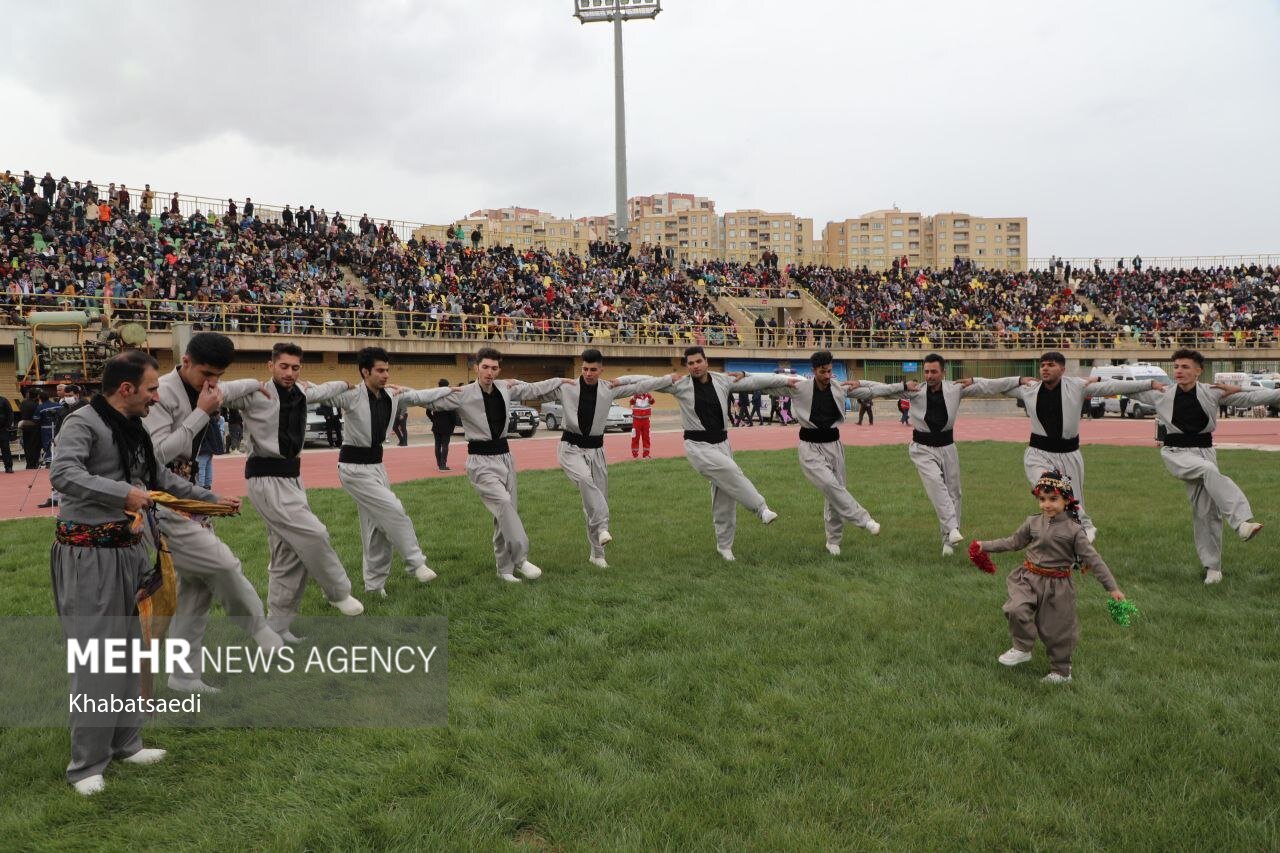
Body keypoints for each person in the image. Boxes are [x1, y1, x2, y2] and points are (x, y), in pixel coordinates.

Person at [51, 351, 235, 795]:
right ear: (126, 389)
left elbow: (161, 480)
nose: (158, 396)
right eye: (152, 389)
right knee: (97, 658)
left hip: (130, 552)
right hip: (89, 555)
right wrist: (123, 494)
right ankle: (86, 765)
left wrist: (209, 499)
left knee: (133, 652)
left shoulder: (134, 427)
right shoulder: (82, 423)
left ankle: (126, 743)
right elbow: (63, 473)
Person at [143, 332, 282, 691]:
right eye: (206, 374)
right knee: (222, 565)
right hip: (162, 501)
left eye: (218, 375)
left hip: (190, 499)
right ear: (185, 361)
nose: (212, 383)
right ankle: (258, 628)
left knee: (196, 590)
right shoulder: (160, 395)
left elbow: (230, 389)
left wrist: (257, 383)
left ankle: (183, 675)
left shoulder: (211, 385)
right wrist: (200, 415)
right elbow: (158, 454)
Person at [226, 343, 363, 639]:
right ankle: (338, 592)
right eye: (284, 366)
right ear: (270, 365)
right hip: (266, 478)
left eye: (295, 367)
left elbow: (325, 390)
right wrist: (250, 383)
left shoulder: (301, 392)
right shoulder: (254, 394)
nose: (289, 373)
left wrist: (343, 383)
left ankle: (278, 626)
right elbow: (219, 392)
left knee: (287, 556)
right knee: (313, 535)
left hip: (293, 479)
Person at [618, 347, 797, 561]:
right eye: (691, 363)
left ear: (706, 361)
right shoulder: (679, 384)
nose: (695, 366)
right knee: (731, 470)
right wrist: (620, 381)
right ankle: (761, 509)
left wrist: (786, 380)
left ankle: (725, 546)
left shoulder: (722, 380)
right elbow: (646, 380)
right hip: (698, 446)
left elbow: (756, 382)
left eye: (698, 361)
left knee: (725, 496)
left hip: (722, 444)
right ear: (687, 366)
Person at [1125, 349, 1280, 584]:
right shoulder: (1161, 394)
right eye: (1176, 366)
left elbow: (1253, 398)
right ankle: (1240, 523)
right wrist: (1148, 382)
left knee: (1207, 511)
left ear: (1199, 371)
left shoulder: (1212, 393)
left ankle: (1213, 568)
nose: (1179, 371)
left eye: (1185, 367)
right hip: (1176, 454)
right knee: (1209, 472)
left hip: (1205, 452)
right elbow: (1123, 388)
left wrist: (1242, 389)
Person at [428, 348, 569, 582]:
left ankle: (505, 570)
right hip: (480, 462)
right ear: (476, 368)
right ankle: (521, 558)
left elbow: (534, 389)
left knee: (504, 515)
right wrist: (400, 393)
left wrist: (559, 380)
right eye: (485, 367)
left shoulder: (505, 387)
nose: (489, 372)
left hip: (505, 457)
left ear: (499, 370)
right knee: (503, 505)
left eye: (494, 368)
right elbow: (427, 399)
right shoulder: (462, 393)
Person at [974, 469, 1126, 684]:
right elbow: (1013, 542)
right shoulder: (1032, 522)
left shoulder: (1074, 531)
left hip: (1058, 586)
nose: (1047, 504)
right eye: (1042, 499)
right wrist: (985, 546)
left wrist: (1112, 588)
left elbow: (1094, 560)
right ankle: (1022, 647)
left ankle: (1061, 672)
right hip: (1027, 578)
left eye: (1053, 499)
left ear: (1066, 500)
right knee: (1015, 608)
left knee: (1056, 629)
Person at [331, 347, 457, 595]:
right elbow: (318, 395)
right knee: (394, 509)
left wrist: (449, 390)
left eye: (387, 370)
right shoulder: (351, 395)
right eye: (380, 370)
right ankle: (416, 563)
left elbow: (421, 396)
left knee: (377, 528)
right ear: (365, 372)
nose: (386, 375)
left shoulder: (392, 395)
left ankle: (374, 586)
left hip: (377, 466)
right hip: (353, 469)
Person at [1003, 352, 1162, 543]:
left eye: (1051, 365)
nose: (1045, 368)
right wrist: (1017, 379)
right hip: (1038, 454)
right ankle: (1055, 537)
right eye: (1043, 365)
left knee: (1071, 498)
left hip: (1068, 454)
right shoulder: (1029, 389)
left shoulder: (1077, 386)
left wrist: (1148, 383)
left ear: (1062, 369)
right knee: (1048, 488)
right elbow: (997, 386)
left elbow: (1111, 386)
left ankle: (1082, 528)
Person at [542, 349, 673, 567]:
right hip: (570, 448)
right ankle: (603, 527)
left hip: (597, 451)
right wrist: (512, 386)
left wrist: (662, 379)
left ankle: (597, 555)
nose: (588, 373)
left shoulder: (609, 389)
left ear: (602, 370)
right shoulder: (568, 387)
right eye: (585, 369)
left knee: (595, 498)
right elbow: (533, 390)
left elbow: (642, 385)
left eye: (594, 369)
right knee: (586, 482)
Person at [781, 352, 906, 555]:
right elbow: (767, 383)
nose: (827, 375)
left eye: (830, 371)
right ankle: (864, 520)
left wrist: (901, 387)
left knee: (835, 493)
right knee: (830, 485)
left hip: (834, 445)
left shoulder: (839, 388)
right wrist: (743, 375)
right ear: (814, 371)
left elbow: (873, 390)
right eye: (823, 372)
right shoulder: (799, 387)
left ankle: (833, 541)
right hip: (810, 446)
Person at [904, 354, 1024, 555]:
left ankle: (949, 542)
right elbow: (883, 390)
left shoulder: (955, 389)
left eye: (934, 371)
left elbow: (990, 386)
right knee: (936, 483)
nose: (930, 375)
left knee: (954, 492)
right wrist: (859, 385)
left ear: (943, 372)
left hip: (948, 447)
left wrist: (1018, 380)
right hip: (922, 447)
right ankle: (952, 527)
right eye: (926, 371)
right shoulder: (915, 391)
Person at [427, 378, 457, 471]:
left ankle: (439, 464)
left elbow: (428, 412)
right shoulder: (449, 397)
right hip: (447, 425)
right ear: (447, 386)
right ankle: (443, 465)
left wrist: (433, 420)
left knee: (437, 445)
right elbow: (452, 412)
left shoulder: (434, 397)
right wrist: (454, 423)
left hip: (436, 425)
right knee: (445, 445)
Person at [19, 389, 42, 469]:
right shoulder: (36, 405)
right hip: (34, 427)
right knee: (35, 446)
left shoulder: (23, 403)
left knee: (27, 446)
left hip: (25, 427)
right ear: (37, 396)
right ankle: (34, 463)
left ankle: (29, 463)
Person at [0, 392, 13, 472]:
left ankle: (8, 467)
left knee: (5, 449)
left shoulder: (4, 401)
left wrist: (7, 426)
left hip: (3, 429)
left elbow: (10, 413)